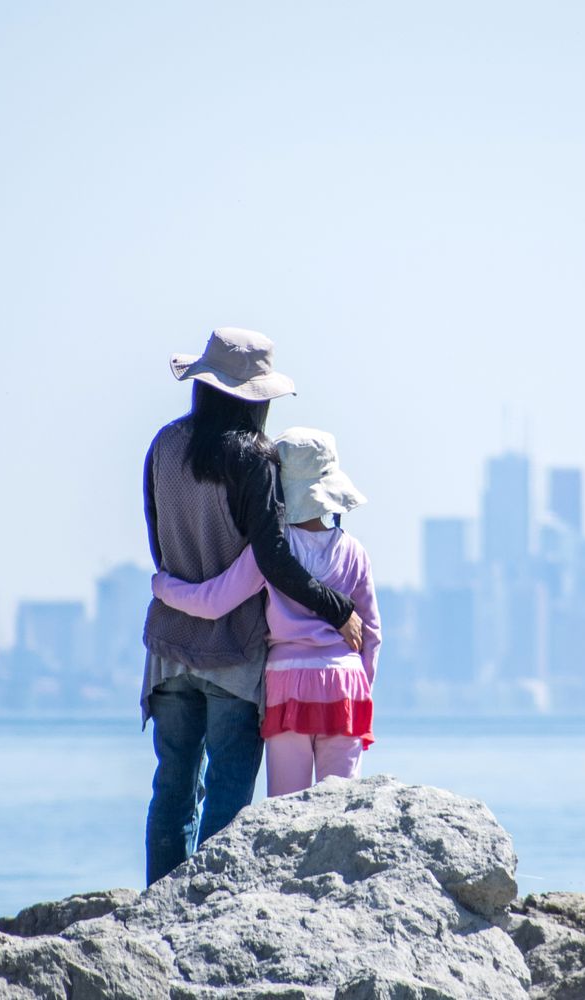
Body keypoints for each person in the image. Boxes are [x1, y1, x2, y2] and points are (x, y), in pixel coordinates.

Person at [142, 328, 363, 885]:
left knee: (172, 787)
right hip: (232, 656)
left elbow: (159, 547)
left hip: (167, 649)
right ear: (250, 397)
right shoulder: (253, 459)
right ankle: (210, 907)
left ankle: (157, 904)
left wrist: (176, 590)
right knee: (229, 795)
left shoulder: (163, 447)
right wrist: (338, 608)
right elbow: (274, 559)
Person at [152, 427, 380, 797]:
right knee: (340, 810)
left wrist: (164, 587)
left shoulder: (271, 551)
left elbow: (214, 602)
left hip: (289, 682)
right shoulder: (355, 551)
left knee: (287, 812)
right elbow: (372, 634)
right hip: (346, 683)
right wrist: (361, 687)